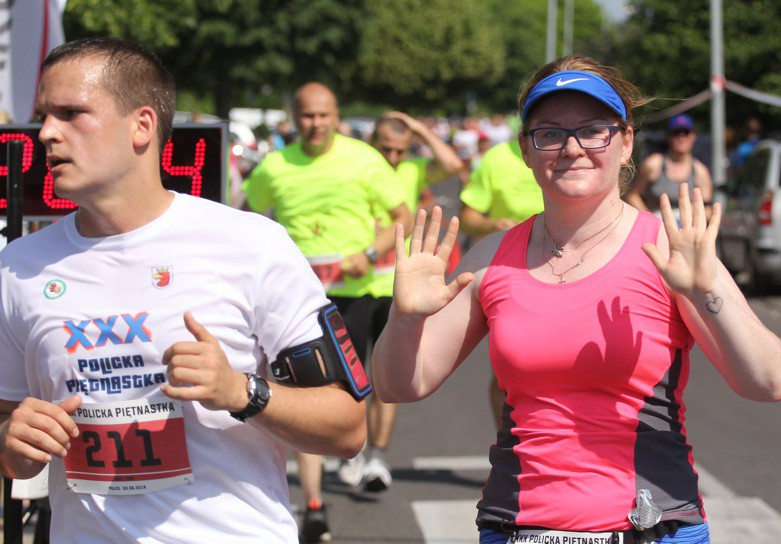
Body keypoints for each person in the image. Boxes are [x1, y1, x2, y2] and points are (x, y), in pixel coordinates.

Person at [372, 55, 781, 544]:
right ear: (526, 150)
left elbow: (768, 381)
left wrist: (707, 289)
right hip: (516, 527)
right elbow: (400, 385)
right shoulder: (492, 259)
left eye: (594, 130)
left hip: (652, 528)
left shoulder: (671, 252)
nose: (572, 148)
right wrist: (404, 318)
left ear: (626, 140)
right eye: (549, 133)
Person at [0, 37, 367, 544]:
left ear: (142, 125)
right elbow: (6, 419)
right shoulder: (18, 267)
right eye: (44, 115)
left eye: (71, 113)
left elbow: (348, 426)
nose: (46, 134)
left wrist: (241, 392)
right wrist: (11, 441)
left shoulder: (250, 245)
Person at [243, 82, 412, 541]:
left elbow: (404, 216)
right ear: (293, 118)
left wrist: (368, 252)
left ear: (336, 115)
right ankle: (314, 506)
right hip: (295, 300)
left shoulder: (363, 158)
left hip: (354, 293)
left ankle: (360, 448)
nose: (315, 124)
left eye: (323, 116)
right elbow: (246, 217)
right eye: (306, 117)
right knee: (305, 396)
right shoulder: (274, 166)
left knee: (354, 392)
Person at [336, 110, 463, 491]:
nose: (392, 158)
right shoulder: (357, 166)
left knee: (386, 378)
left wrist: (421, 127)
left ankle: (378, 457)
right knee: (352, 378)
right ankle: (354, 450)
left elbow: (453, 164)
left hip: (399, 286)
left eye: (400, 151)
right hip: (356, 286)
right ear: (372, 142)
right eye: (385, 149)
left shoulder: (412, 170)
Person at [458, 128, 545, 430]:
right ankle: (508, 442)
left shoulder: (567, 154)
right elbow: (467, 216)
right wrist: (494, 223)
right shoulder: (497, 158)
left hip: (568, 269)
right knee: (510, 371)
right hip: (511, 272)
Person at [626, 113, 713, 221]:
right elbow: (633, 195)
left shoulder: (701, 172)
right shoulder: (654, 164)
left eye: (686, 132)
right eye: (676, 133)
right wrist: (651, 219)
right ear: (669, 136)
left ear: (693, 136)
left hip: (686, 230)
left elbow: (708, 210)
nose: (681, 137)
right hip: (656, 228)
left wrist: (692, 213)